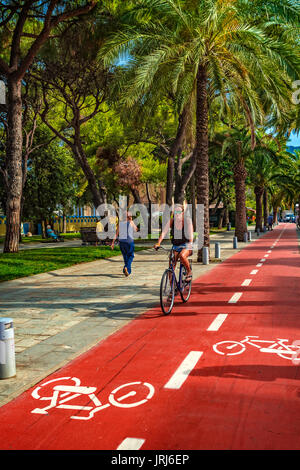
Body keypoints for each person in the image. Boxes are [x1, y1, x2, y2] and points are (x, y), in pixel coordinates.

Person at [154, 203, 193, 281]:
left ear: (183, 212)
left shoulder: (187, 221)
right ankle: (172, 289)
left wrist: (190, 243)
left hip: (186, 245)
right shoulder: (172, 221)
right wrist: (158, 243)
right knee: (171, 268)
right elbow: (164, 232)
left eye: (179, 212)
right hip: (175, 246)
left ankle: (189, 272)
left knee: (182, 256)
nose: (177, 214)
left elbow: (191, 235)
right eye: (175, 212)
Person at [111, 211, 138, 276]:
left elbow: (116, 234)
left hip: (122, 242)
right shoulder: (131, 222)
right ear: (129, 216)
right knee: (131, 255)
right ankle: (127, 268)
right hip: (129, 242)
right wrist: (132, 221)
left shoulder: (120, 224)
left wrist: (112, 243)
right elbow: (136, 230)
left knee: (125, 256)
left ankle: (126, 270)